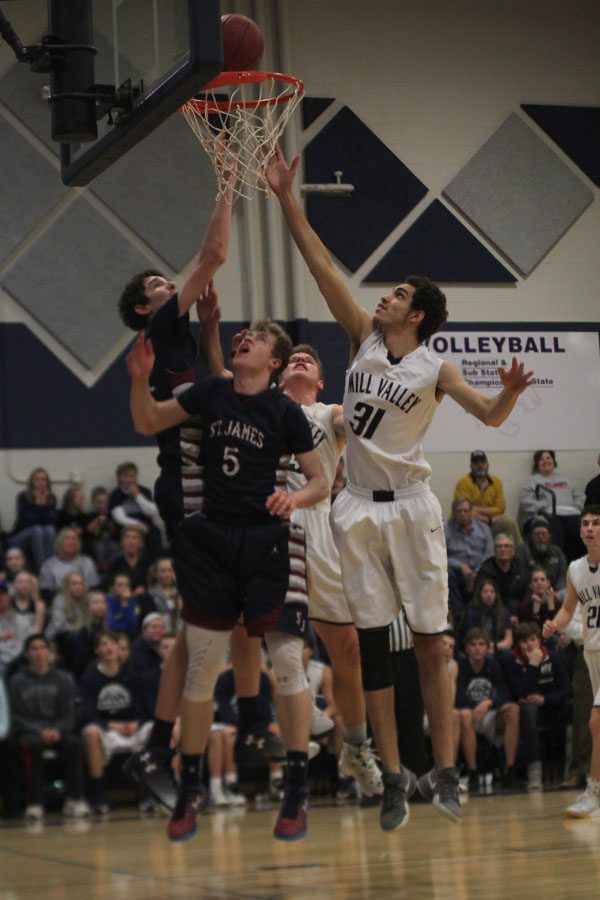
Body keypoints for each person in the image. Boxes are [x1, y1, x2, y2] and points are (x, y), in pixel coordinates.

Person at [266, 143, 534, 830]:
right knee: (375, 647)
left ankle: (445, 771)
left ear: (416, 315)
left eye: (398, 295)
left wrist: (506, 396)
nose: (383, 297)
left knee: (430, 643)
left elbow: (489, 416)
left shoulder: (436, 367)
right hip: (353, 507)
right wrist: (285, 198)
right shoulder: (360, 337)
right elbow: (322, 265)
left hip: (412, 508)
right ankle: (391, 776)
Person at [126, 318, 329, 842]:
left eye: (258, 338)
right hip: (213, 542)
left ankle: (297, 787)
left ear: (275, 362)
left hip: (268, 539)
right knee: (200, 665)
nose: (246, 339)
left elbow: (321, 481)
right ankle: (190, 788)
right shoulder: (212, 392)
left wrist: (295, 498)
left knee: (286, 659)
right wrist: (137, 378)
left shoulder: (286, 412)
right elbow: (148, 421)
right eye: (244, 335)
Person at [543, 506, 600, 817]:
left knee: (596, 721)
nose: (589, 528)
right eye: (585, 524)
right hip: (591, 652)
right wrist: (555, 623)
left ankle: (593, 792)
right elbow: (567, 609)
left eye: (596, 523)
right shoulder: (576, 569)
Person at [9, 634, 89, 819]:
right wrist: (40, 731)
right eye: (33, 649)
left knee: (74, 744)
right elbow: (16, 715)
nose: (38, 652)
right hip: (30, 732)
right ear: (27, 654)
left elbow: (69, 712)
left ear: (49, 652)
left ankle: (75, 799)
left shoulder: (63, 679)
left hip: (58, 730)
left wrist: (58, 730)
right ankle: (35, 802)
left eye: (42, 648)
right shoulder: (17, 681)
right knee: (33, 746)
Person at [79, 631, 151, 814]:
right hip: (107, 730)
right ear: (97, 650)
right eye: (103, 644)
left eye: (112, 644)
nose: (109, 648)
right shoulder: (90, 677)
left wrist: (137, 723)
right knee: (90, 732)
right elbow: (87, 713)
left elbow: (143, 710)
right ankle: (97, 796)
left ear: (119, 649)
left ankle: (149, 794)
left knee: (153, 729)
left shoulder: (132, 675)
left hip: (131, 729)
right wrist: (111, 725)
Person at [502, 622, 571, 791]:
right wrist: (533, 665)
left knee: (572, 707)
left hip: (551, 705)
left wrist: (545, 699)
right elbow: (521, 693)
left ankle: (573, 770)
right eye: (525, 641)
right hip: (529, 713)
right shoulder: (512, 661)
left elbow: (567, 689)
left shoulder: (553, 657)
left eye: (533, 639)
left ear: (539, 641)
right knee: (528, 709)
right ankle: (535, 773)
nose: (529, 644)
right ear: (518, 643)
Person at [455, 629, 520, 789]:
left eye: (481, 644)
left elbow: (504, 693)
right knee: (465, 714)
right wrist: (475, 706)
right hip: (468, 716)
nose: (477, 648)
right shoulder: (461, 667)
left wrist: (488, 702)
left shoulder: (494, 666)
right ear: (467, 648)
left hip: (490, 715)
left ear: (487, 648)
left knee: (513, 710)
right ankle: (473, 773)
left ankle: (509, 769)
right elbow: (458, 696)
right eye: (473, 644)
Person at [518, 450, 585, 561]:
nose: (546, 461)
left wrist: (576, 507)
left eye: (548, 458)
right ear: (537, 463)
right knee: (557, 528)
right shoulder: (532, 481)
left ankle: (585, 563)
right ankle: (557, 562)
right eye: (542, 459)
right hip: (546, 515)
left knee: (584, 529)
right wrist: (544, 507)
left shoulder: (566, 479)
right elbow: (526, 501)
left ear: (553, 461)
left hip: (570, 513)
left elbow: (580, 496)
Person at [454, 451, 521, 545]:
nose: (480, 465)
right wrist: (489, 518)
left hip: (492, 524)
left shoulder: (497, 482)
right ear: (471, 466)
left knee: (509, 522)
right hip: (471, 524)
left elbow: (500, 508)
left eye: (482, 462)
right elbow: (464, 511)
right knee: (464, 516)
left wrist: (475, 509)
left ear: (488, 464)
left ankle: (520, 555)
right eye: (476, 463)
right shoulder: (463, 483)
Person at [445, 498, 495, 622]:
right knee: (447, 573)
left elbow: (489, 553)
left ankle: (483, 614)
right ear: (454, 513)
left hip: (480, 568)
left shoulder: (484, 528)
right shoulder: (445, 530)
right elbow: (441, 556)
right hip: (456, 570)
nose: (462, 514)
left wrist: (475, 572)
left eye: (466, 511)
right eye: (459, 511)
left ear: (471, 512)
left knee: (490, 570)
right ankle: (460, 615)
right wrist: (461, 566)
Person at [109, 462, 164, 559]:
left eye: (132, 476)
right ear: (120, 478)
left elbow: (152, 511)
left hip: (146, 524)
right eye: (125, 476)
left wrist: (137, 496)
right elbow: (119, 518)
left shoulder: (144, 491)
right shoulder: (115, 495)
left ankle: (155, 562)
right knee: (129, 535)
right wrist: (137, 524)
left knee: (155, 531)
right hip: (126, 525)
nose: (129, 479)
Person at [8, 468, 57, 572]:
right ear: (32, 481)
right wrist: (39, 503)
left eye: (43, 479)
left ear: (47, 482)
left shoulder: (51, 498)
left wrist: (44, 503)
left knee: (50, 530)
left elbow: (51, 520)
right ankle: (43, 569)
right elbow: (29, 520)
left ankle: (51, 567)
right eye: (37, 479)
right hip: (19, 537)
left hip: (40, 535)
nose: (40, 482)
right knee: (37, 530)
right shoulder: (23, 497)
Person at [38, 527, 100, 605]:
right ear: (59, 542)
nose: (71, 542)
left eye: (74, 539)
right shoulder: (48, 565)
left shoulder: (87, 562)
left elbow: (94, 588)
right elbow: (46, 592)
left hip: (85, 603)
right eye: (66, 538)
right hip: (59, 603)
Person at [474, 533, 529, 616]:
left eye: (506, 546)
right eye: (499, 546)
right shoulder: (485, 571)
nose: (503, 549)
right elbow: (479, 599)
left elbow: (526, 596)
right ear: (494, 551)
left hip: (518, 615)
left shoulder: (521, 569)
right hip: (491, 615)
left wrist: (518, 615)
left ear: (513, 550)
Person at [515, 517, 568, 599]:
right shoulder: (521, 551)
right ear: (530, 536)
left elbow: (563, 575)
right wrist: (538, 590)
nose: (541, 536)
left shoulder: (557, 551)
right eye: (537, 534)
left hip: (554, 594)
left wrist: (556, 592)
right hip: (528, 595)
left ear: (550, 536)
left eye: (544, 533)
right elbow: (520, 578)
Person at [461, 578, 513, 653]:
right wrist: (486, 647)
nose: (489, 594)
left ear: (496, 595)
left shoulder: (504, 611)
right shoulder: (471, 612)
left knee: (508, 655)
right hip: (479, 649)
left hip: (499, 646)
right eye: (485, 592)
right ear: (479, 594)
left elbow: (509, 641)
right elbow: (471, 640)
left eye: (492, 592)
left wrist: (494, 646)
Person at [0, 581, 34, 678]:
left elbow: (33, 640)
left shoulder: (20, 620)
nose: (0, 597)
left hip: (18, 665)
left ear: (8, 597)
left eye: (3, 594)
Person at [105, 525, 151, 596]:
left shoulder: (147, 564)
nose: (130, 541)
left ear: (141, 544)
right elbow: (109, 587)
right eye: (127, 538)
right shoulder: (114, 565)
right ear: (121, 543)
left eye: (134, 538)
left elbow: (152, 585)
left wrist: (145, 589)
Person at [83, 487, 120, 570]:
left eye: (104, 502)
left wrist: (110, 525)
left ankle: (113, 567)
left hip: (109, 540)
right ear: (93, 503)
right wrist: (97, 521)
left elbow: (115, 532)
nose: (101, 505)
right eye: (98, 502)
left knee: (114, 546)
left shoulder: (110, 516)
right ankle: (102, 567)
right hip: (95, 541)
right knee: (99, 547)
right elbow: (87, 530)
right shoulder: (90, 516)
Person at [516, 567, 562, 631]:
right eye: (535, 580)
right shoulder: (523, 607)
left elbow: (558, 629)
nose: (539, 583)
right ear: (531, 585)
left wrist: (551, 607)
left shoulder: (558, 604)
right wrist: (535, 612)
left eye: (542, 579)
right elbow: (527, 632)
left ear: (548, 583)